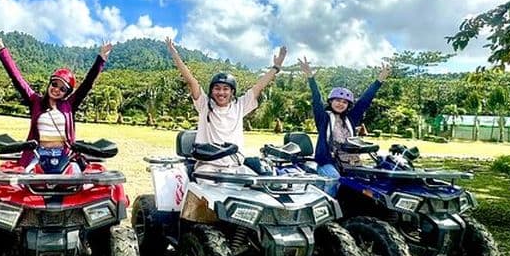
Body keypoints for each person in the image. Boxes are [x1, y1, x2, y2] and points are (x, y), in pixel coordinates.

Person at [167, 37, 287, 171]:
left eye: (225, 89)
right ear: (211, 90)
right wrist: (174, 55)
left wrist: (276, 67)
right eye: (217, 88)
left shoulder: (240, 106)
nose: (221, 92)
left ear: (232, 92)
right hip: (208, 166)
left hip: (235, 165)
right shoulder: (204, 104)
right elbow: (191, 81)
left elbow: (258, 87)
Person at [0, 37, 112, 171]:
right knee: (23, 183)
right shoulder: (35, 101)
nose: (57, 89)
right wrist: (2, 51)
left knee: (80, 186)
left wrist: (101, 59)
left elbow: (88, 83)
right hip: (37, 155)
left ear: (67, 93)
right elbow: (17, 78)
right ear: (50, 83)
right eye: (55, 84)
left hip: (65, 156)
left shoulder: (70, 105)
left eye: (63, 89)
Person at [298, 56, 390, 195]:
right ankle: (328, 209)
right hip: (327, 162)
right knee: (334, 178)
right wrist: (310, 78)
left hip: (348, 161)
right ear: (331, 102)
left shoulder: (350, 119)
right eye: (337, 100)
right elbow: (317, 99)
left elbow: (364, 101)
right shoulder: (324, 118)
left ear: (348, 105)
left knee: (366, 181)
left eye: (344, 102)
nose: (340, 104)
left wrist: (379, 80)